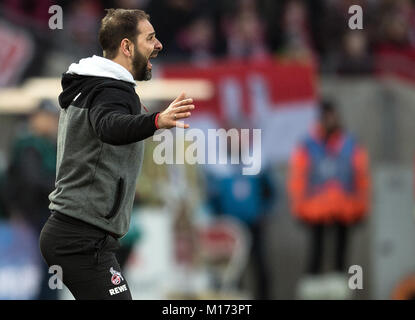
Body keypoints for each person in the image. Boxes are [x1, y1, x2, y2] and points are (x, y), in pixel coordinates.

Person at [39, 8, 195, 300]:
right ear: (126, 46)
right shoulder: (112, 89)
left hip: (78, 234)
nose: (158, 45)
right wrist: (156, 121)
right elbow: (109, 127)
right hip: (80, 238)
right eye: (150, 38)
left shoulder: (94, 84)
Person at [287, 100, 370, 299]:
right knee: (316, 253)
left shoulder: (350, 143)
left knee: (342, 255)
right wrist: (299, 208)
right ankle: (311, 291)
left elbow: (361, 177)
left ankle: (342, 291)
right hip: (315, 210)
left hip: (344, 209)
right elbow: (298, 177)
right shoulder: (308, 145)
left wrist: (361, 207)